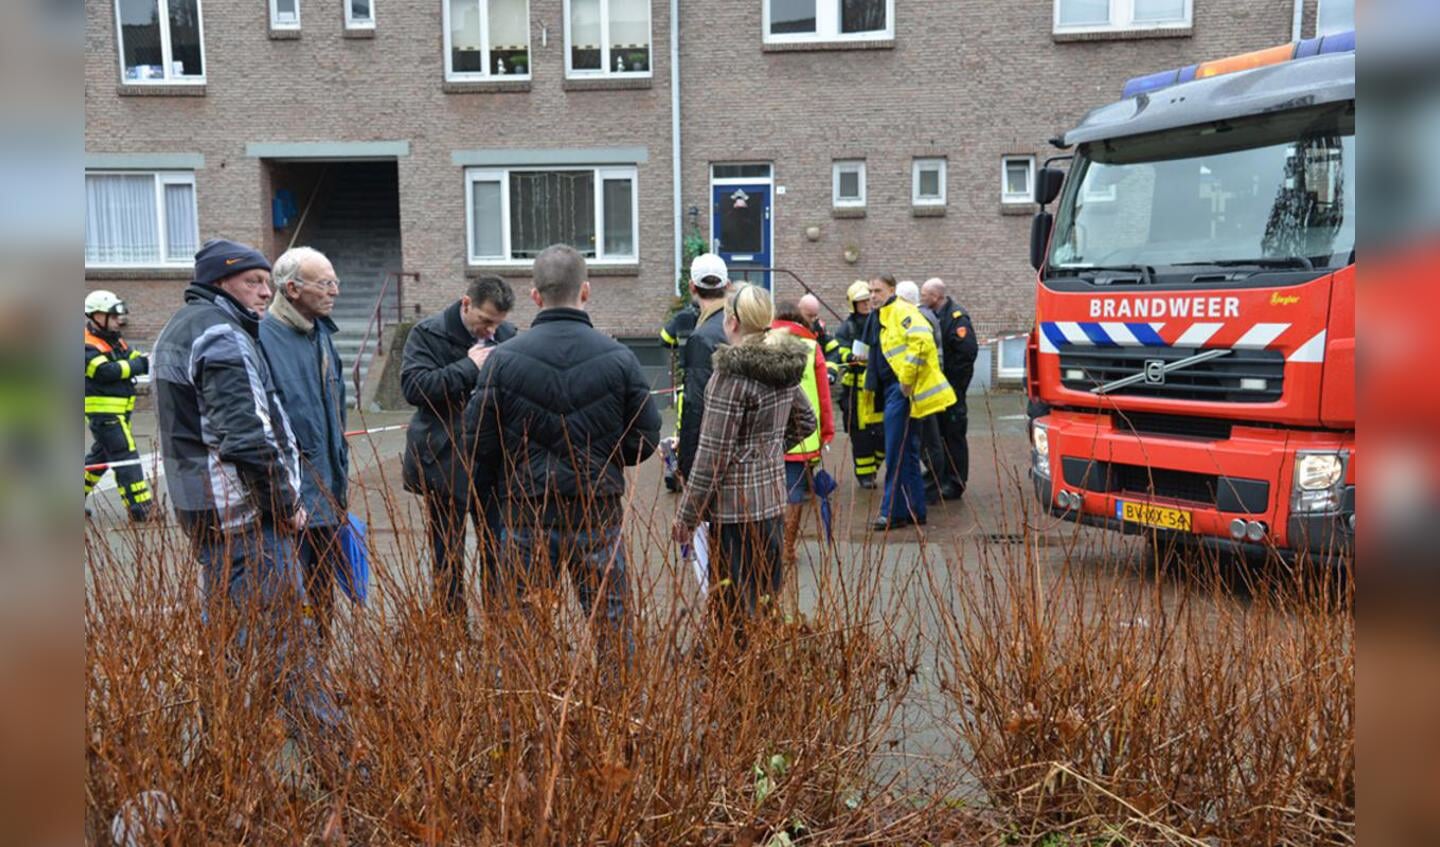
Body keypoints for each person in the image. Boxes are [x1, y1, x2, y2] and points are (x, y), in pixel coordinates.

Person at [152, 238, 340, 736]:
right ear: (220, 284)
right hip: (247, 519)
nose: (264, 292)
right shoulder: (221, 334)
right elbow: (247, 436)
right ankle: (344, 766)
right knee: (287, 650)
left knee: (232, 651)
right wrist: (285, 503)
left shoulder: (181, 328)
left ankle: (227, 760)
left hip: (209, 518)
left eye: (266, 281)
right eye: (253, 282)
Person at [465, 244, 660, 663]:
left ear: (535, 296)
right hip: (597, 511)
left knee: (519, 632)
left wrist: (510, 475)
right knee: (612, 625)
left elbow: (477, 439)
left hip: (526, 514)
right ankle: (620, 719)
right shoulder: (620, 359)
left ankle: (518, 723)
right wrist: (606, 459)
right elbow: (644, 438)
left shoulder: (503, 360)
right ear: (585, 291)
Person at [672, 284, 817, 638]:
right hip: (771, 503)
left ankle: (741, 685)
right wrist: (765, 452)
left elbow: (711, 456)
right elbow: (807, 421)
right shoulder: (783, 366)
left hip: (734, 513)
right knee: (765, 602)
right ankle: (764, 679)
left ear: (732, 322)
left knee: (733, 611)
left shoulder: (730, 376)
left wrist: (687, 517)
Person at [402, 275, 516, 625]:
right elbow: (414, 387)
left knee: (498, 550)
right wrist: (469, 367)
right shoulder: (427, 333)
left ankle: (498, 629)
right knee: (446, 553)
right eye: (484, 322)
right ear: (466, 304)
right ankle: (452, 629)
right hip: (443, 460)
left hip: (492, 464)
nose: (489, 332)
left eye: (496, 324)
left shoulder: (508, 336)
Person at [259, 246, 350, 642]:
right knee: (292, 604)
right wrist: (281, 497)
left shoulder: (323, 336)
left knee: (322, 596)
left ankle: (321, 681)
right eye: (326, 283)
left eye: (336, 282)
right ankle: (297, 684)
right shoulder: (262, 338)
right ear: (292, 289)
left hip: (328, 495)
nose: (335, 291)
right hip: (291, 503)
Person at [857, 274, 956, 531]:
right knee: (908, 452)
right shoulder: (882, 315)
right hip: (894, 391)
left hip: (899, 392)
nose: (872, 295)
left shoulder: (901, 310)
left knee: (896, 453)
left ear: (892, 289)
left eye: (877, 290)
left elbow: (922, 342)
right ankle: (914, 510)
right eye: (870, 291)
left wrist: (907, 380)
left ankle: (891, 513)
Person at [771, 301, 836, 575]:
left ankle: (767, 548)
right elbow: (823, 394)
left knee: (766, 490)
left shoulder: (763, 342)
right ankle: (787, 548)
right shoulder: (812, 347)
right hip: (801, 433)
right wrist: (827, 430)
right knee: (793, 491)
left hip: (767, 431)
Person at [83, 290, 154, 522]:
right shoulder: (86, 344)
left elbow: (130, 356)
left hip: (118, 411)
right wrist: (139, 364)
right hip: (104, 413)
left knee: (100, 458)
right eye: (113, 316)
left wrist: (144, 360)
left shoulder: (113, 339)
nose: (118, 321)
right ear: (96, 316)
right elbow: (105, 372)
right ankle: (141, 508)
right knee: (125, 454)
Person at [921, 278, 979, 499]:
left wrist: (955, 387)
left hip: (953, 390)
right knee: (941, 435)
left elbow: (967, 354)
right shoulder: (933, 316)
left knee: (954, 435)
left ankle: (955, 482)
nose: (922, 298)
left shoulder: (957, 318)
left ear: (936, 296)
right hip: (939, 391)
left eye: (925, 294)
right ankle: (942, 478)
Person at [676, 253, 731, 483]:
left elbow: (696, 406)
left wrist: (686, 464)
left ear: (692, 287)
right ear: (727, 286)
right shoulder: (740, 324)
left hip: (713, 458)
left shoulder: (702, 338)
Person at [831, 281, 883, 489]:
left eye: (867, 300)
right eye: (860, 302)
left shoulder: (880, 320)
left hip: (877, 388)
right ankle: (865, 476)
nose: (865, 305)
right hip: (854, 390)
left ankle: (873, 468)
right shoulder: (848, 327)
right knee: (859, 434)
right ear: (853, 304)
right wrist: (851, 356)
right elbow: (838, 349)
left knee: (882, 432)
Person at [659, 298, 700, 492]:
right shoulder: (724, 316)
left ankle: (679, 471)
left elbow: (665, 339)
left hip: (689, 384)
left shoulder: (684, 316)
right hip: (717, 383)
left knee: (684, 430)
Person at [798, 293, 841, 383]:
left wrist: (830, 372)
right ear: (799, 311)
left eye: (815, 315)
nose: (813, 319)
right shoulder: (791, 329)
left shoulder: (819, 329)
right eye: (809, 316)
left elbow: (833, 350)